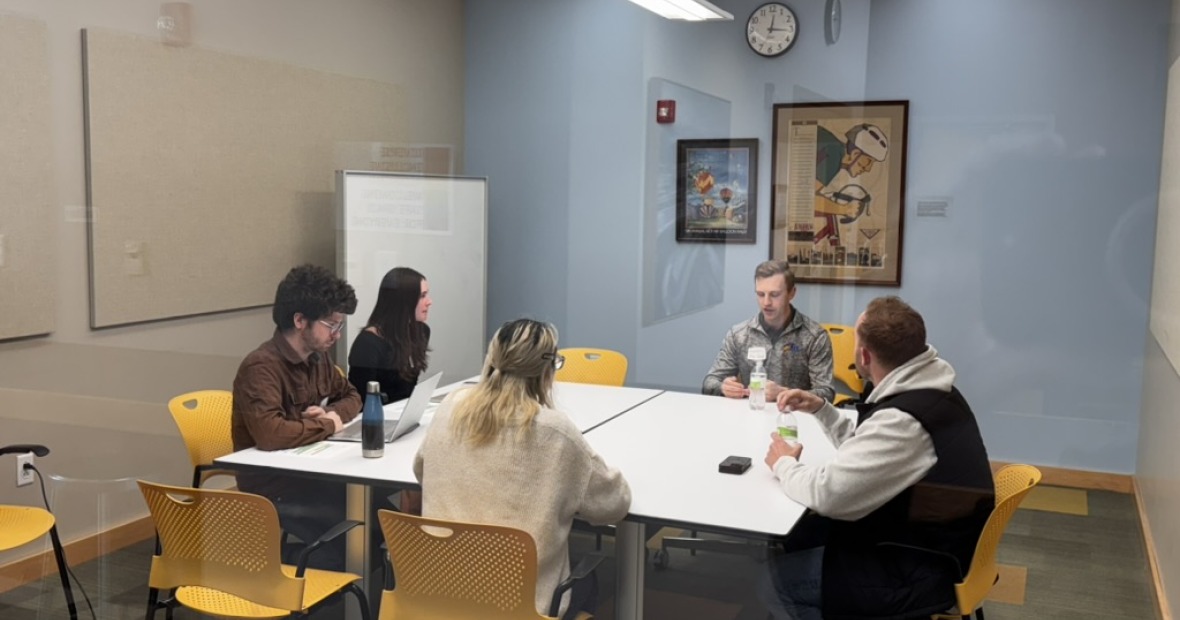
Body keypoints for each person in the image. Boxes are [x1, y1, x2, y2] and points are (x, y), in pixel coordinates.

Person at [761, 296, 994, 619]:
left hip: (912, 570)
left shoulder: (904, 421)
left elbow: (829, 495)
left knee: (768, 583)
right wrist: (821, 408)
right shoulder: (933, 390)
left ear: (865, 356)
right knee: (801, 535)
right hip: (930, 541)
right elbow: (872, 451)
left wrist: (783, 463)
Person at [414, 319, 631, 619]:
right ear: (547, 371)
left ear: (491, 360)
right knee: (591, 581)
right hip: (522, 607)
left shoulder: (451, 407)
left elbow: (421, 469)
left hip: (437, 596)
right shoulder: (556, 431)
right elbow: (612, 505)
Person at [231, 263, 360, 570]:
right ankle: (262, 567)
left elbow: (352, 396)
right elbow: (271, 434)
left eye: (340, 326)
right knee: (353, 540)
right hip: (277, 488)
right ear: (300, 320)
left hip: (313, 474)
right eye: (331, 325)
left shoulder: (319, 359)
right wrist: (325, 425)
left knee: (377, 519)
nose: (337, 335)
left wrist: (331, 413)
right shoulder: (261, 367)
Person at [702, 260, 835, 403]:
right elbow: (709, 383)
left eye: (775, 294)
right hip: (751, 412)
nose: (766, 303)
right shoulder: (739, 334)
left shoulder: (814, 336)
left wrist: (784, 393)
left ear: (792, 293)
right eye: (760, 294)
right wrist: (723, 387)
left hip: (795, 414)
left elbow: (826, 394)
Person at [348, 267, 432, 404]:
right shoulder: (368, 344)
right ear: (404, 301)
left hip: (404, 410)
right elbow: (360, 399)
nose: (429, 302)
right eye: (422, 296)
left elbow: (408, 388)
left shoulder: (422, 331)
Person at [813, 123, 888, 246]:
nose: (868, 169)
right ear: (855, 154)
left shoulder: (835, 150)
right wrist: (844, 209)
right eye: (869, 161)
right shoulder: (834, 155)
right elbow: (808, 200)